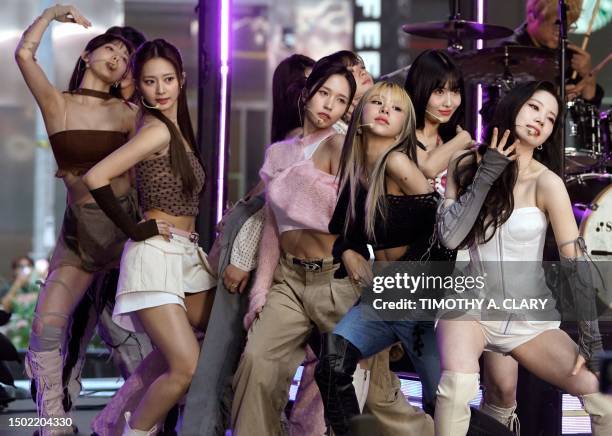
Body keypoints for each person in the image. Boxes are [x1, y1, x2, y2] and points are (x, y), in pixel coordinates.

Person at [434, 80, 612, 436]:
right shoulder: (465, 164)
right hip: (469, 305)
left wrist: (591, 339)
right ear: (513, 105)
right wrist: (486, 175)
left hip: (527, 315)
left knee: (602, 400)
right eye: (534, 107)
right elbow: (450, 237)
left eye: (549, 119)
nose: (540, 121)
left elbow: (575, 262)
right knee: (458, 390)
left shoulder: (548, 183)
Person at [83, 39, 216, 435]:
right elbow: (96, 177)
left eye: (168, 80)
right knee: (186, 366)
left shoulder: (177, 131)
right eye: (150, 81)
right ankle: (134, 431)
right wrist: (135, 229)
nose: (160, 89)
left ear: (181, 80)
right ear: (138, 86)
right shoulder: (156, 131)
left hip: (186, 257)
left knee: (221, 331)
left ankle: (114, 422)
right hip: (155, 256)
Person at [15, 4, 136, 431]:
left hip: (125, 235)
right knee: (47, 326)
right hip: (79, 237)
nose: (118, 57)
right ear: (87, 54)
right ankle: (53, 421)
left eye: (125, 56)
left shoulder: (130, 114)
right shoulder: (57, 104)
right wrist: (49, 14)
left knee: (134, 347)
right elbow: (24, 56)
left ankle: (138, 422)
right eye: (111, 49)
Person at [314, 81, 455, 435]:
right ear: (360, 112)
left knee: (443, 401)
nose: (383, 110)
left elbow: (443, 232)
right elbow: (343, 228)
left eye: (395, 109)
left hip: (419, 300)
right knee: (331, 365)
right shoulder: (356, 166)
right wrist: (348, 251)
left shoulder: (396, 163)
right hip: (382, 300)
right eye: (377, 102)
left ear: (405, 125)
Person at [231, 54, 357, 436]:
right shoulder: (278, 154)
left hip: (334, 281)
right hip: (289, 279)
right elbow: (273, 229)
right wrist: (260, 291)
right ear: (306, 94)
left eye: (340, 100)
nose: (329, 106)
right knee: (255, 362)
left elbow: (353, 214)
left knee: (363, 385)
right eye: (324, 94)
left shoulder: (339, 146)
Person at [502, 0, 603, 105]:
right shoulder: (506, 53)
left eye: (567, 26)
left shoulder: (568, 53)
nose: (561, 32)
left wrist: (587, 78)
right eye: (557, 24)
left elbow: (587, 114)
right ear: (532, 16)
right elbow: (501, 109)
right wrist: (554, 96)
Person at [403, 49, 472, 194]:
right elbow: (429, 167)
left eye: (455, 91)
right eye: (439, 91)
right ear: (419, 89)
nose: (449, 103)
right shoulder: (400, 135)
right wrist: (464, 137)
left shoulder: (453, 140)